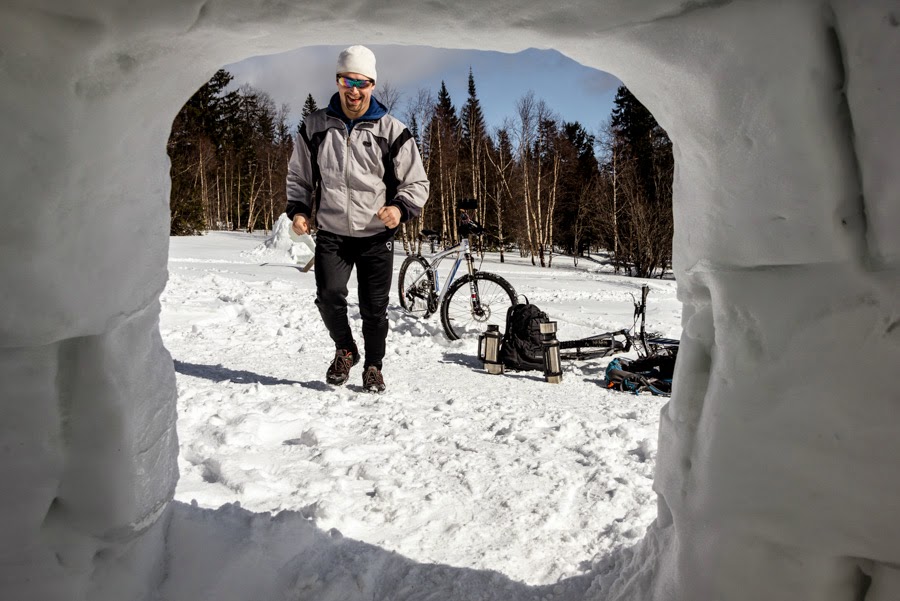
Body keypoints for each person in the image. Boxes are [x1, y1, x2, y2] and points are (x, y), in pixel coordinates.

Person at [286, 45, 429, 393]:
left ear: (372, 85)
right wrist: (300, 211)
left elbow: (417, 182)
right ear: (338, 81)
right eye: (347, 80)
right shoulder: (316, 126)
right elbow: (299, 177)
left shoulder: (392, 129)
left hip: (375, 235)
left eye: (361, 82)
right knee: (329, 295)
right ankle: (345, 349)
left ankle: (374, 367)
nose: (354, 89)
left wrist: (399, 208)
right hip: (333, 232)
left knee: (374, 309)